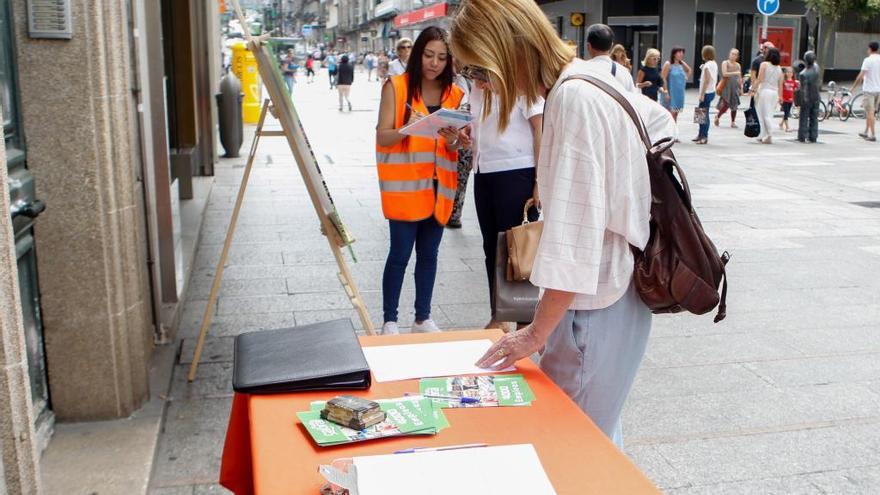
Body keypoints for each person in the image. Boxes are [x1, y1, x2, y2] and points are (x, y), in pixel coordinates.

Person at [450, 0, 676, 449]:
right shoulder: (590, 76)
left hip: (595, 302)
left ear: (504, 51)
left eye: (477, 71)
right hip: (620, 289)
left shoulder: (571, 98)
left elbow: (574, 239)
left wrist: (535, 332)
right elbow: (662, 124)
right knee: (598, 434)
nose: (478, 84)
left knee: (572, 445)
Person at [375, 27, 465, 335]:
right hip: (406, 187)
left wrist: (454, 140)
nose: (434, 63)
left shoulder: (455, 94)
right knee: (399, 254)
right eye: (428, 55)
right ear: (417, 54)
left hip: (439, 187)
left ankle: (422, 317)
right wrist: (406, 128)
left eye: (442, 57)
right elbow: (383, 137)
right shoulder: (396, 87)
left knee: (429, 255)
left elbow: (452, 146)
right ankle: (389, 319)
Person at [457, 64, 544, 330]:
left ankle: (523, 321)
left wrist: (540, 180)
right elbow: (474, 129)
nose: (479, 84)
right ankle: (500, 313)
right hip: (483, 170)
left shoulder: (520, 81)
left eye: (481, 78)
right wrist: (463, 136)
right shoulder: (476, 88)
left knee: (516, 249)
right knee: (491, 249)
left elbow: (540, 130)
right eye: (474, 78)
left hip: (517, 171)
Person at [448, 65, 474, 230]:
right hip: (457, 132)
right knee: (458, 176)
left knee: (461, 176)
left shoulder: (469, 78)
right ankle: (452, 212)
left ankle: (455, 213)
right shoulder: (458, 79)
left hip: (466, 135)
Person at [585, 25, 638, 93]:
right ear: (611, 45)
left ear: (588, 46)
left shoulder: (580, 70)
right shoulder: (624, 72)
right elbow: (632, 99)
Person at [752, 47, 783, 144]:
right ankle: (763, 135)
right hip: (774, 93)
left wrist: (753, 88)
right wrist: (781, 96)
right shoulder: (779, 68)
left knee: (762, 114)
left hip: (764, 91)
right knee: (769, 114)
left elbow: (760, 79)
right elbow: (780, 84)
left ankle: (769, 134)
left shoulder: (764, 64)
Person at [852, 41, 880, 142]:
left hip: (869, 90)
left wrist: (853, 87)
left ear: (870, 49)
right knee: (871, 113)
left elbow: (861, 75)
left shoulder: (868, 60)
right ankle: (865, 131)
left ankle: (872, 135)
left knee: (870, 113)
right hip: (878, 90)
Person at [693, 45, 718, 145]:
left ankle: (703, 136)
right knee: (701, 114)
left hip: (706, 92)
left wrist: (702, 94)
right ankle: (700, 134)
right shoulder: (713, 64)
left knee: (703, 115)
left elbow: (706, 80)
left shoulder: (707, 65)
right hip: (711, 91)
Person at [662, 46, 692, 122]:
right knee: (670, 115)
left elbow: (689, 70)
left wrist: (686, 78)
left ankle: (702, 131)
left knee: (676, 114)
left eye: (682, 52)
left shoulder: (681, 63)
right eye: (679, 52)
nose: (681, 54)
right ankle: (702, 132)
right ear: (674, 54)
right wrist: (666, 92)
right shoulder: (668, 64)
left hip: (680, 93)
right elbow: (663, 78)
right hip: (672, 92)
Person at [715, 48, 743, 128]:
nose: (733, 56)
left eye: (735, 54)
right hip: (726, 86)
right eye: (732, 53)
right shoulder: (725, 63)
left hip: (735, 87)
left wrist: (741, 88)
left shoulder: (738, 65)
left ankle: (733, 122)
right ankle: (717, 116)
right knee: (726, 104)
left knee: (735, 104)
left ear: (737, 56)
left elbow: (740, 77)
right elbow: (724, 74)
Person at [797, 50, 821, 143]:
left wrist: (803, 100)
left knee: (804, 117)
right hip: (816, 96)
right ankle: (813, 136)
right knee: (814, 117)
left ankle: (802, 135)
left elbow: (803, 89)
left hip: (807, 98)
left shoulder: (803, 74)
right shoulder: (817, 68)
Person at [780, 67, 798, 132]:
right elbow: (780, 89)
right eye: (788, 72)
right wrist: (780, 97)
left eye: (791, 72)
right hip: (784, 99)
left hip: (790, 100)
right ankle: (787, 127)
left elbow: (795, 90)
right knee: (786, 112)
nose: (789, 74)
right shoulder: (783, 81)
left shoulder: (794, 82)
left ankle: (781, 123)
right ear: (785, 73)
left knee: (786, 112)